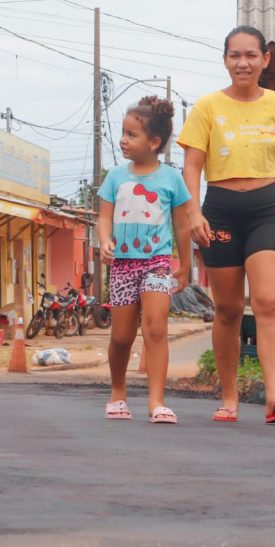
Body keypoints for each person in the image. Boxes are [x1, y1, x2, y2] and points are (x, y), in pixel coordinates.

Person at [177, 24, 275, 425]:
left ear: (265, 60)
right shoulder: (207, 107)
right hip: (221, 209)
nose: (243, 63)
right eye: (235, 55)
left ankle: (274, 397)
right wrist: (194, 212)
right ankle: (229, 397)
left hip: (265, 209)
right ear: (225, 60)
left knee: (268, 303)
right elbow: (192, 165)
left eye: (251, 55)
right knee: (229, 309)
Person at [97, 96, 192, 423]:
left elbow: (182, 224)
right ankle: (118, 394)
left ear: (154, 142)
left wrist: (186, 265)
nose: (123, 140)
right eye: (123, 133)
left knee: (155, 329)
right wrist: (104, 240)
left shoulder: (172, 179)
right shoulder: (114, 177)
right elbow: (104, 218)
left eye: (131, 134)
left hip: (158, 264)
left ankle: (156, 401)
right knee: (121, 337)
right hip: (123, 265)